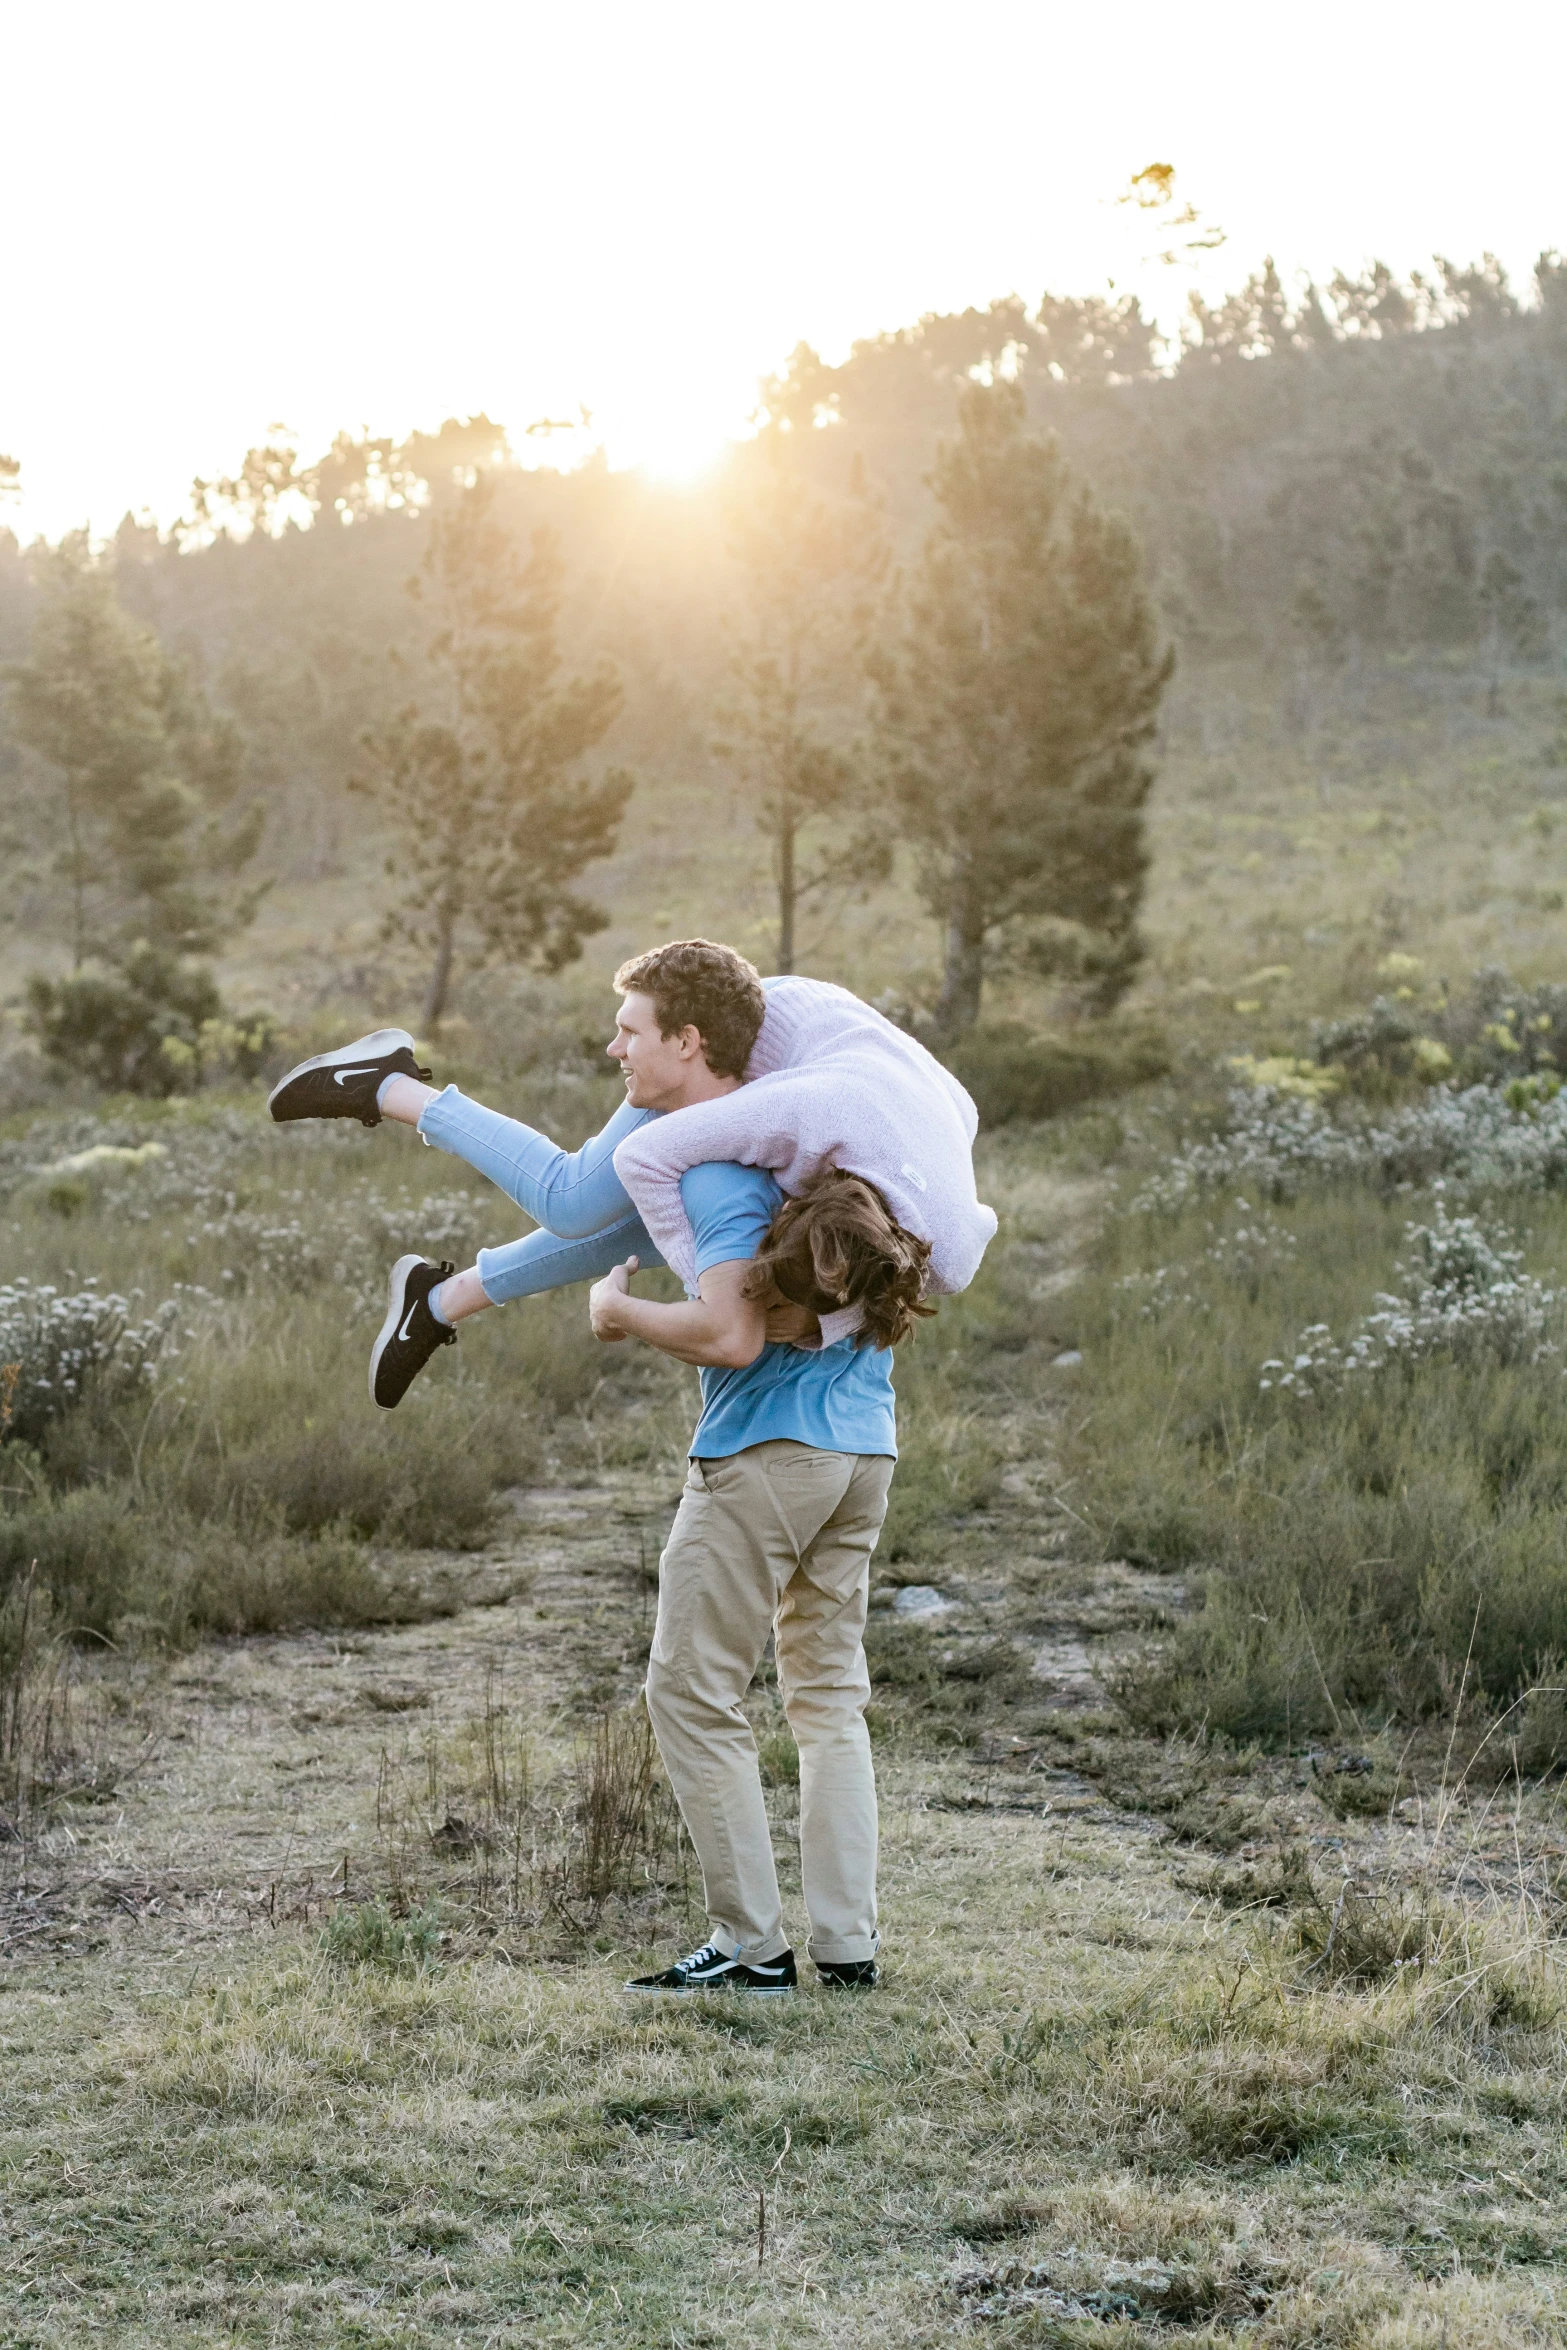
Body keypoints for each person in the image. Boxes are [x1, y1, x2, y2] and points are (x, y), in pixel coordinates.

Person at [265, 940, 993, 1408]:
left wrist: (796, 1313)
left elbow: (959, 1117)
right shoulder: (788, 1103)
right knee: (576, 1198)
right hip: (760, 1040)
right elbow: (647, 1162)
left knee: (694, 1206)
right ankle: (387, 1083)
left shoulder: (947, 1253)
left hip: (887, 1081)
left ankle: (436, 1299)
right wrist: (698, 1283)